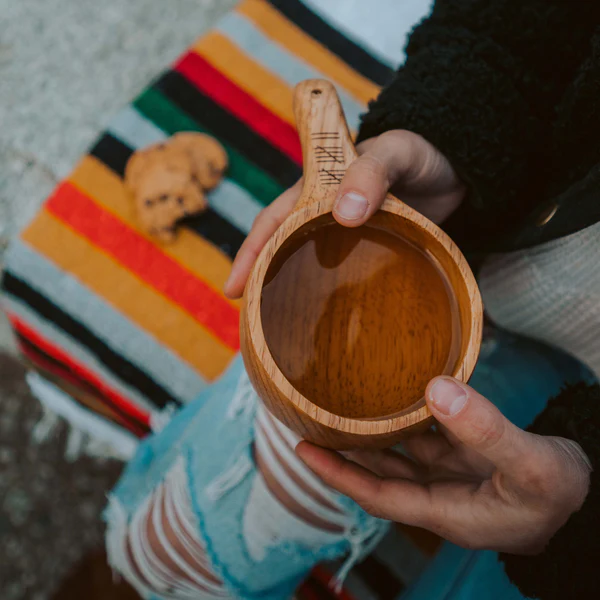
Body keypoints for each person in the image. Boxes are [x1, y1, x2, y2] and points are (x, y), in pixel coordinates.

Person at [223, 1, 600, 598]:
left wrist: (584, 516)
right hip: (487, 256)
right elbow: (516, 26)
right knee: (184, 551)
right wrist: (445, 134)